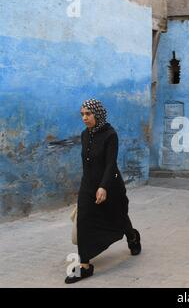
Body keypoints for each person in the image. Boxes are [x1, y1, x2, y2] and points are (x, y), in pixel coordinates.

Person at [65, 99, 141, 284]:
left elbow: (110, 164)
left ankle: (132, 236)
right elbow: (87, 164)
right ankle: (84, 266)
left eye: (88, 114)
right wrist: (86, 188)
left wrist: (104, 187)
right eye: (82, 114)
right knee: (83, 220)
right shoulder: (85, 135)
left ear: (97, 115)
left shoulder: (110, 135)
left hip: (110, 185)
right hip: (88, 185)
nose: (84, 118)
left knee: (119, 217)